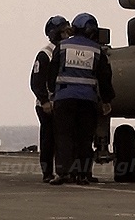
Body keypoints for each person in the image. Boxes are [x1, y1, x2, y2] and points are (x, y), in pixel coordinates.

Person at [47, 12, 114, 186]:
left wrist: (52, 94)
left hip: (64, 99)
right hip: (88, 100)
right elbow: (105, 77)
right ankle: (83, 174)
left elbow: (52, 73)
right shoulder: (97, 50)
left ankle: (62, 173)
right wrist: (106, 100)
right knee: (85, 138)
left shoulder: (61, 46)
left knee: (64, 137)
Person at [30, 15, 70, 183]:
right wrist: (44, 100)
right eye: (64, 31)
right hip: (47, 104)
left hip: (61, 102)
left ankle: (64, 171)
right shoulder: (45, 54)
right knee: (48, 139)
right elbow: (36, 80)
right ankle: (47, 172)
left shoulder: (67, 51)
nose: (67, 34)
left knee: (62, 138)